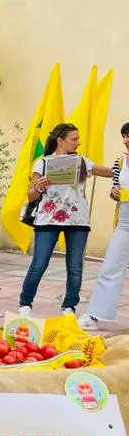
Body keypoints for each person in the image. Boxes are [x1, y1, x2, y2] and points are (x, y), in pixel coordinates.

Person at [18, 123, 112, 316]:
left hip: (77, 220)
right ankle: (25, 304)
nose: (78, 143)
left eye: (78, 139)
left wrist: (123, 165)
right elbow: (30, 196)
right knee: (39, 264)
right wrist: (38, 187)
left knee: (75, 266)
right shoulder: (42, 163)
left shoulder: (82, 161)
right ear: (60, 141)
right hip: (47, 219)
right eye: (74, 139)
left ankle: (69, 306)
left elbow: (110, 172)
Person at [79, 122, 129, 330]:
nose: (126, 141)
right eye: (124, 136)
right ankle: (94, 315)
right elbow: (115, 188)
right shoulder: (119, 162)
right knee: (110, 267)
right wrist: (113, 193)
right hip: (125, 223)